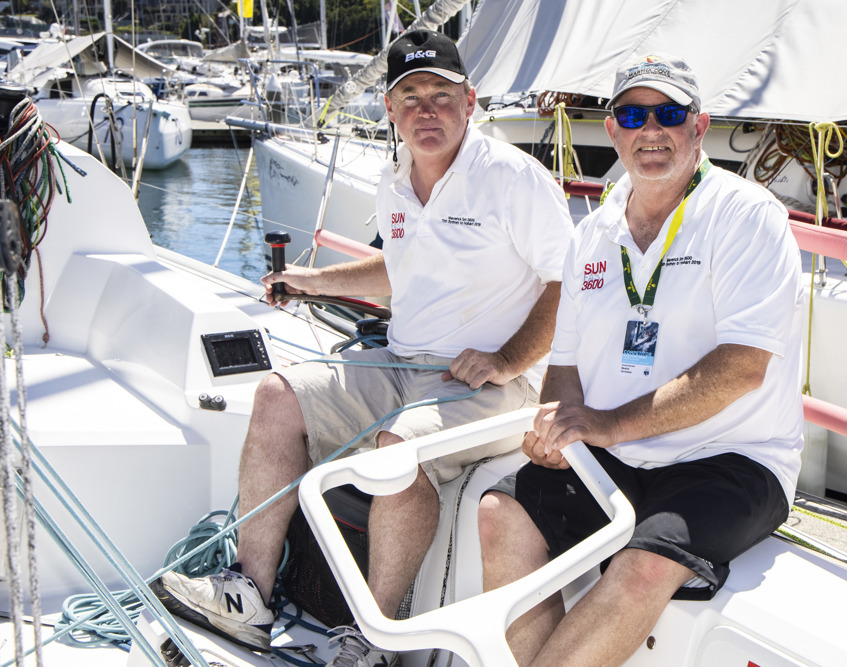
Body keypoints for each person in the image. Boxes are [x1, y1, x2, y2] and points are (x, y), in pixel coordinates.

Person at [152, 30, 573, 666]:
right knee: (276, 395)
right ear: (390, 109)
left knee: (395, 449)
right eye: (410, 98)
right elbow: (399, 269)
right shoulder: (395, 179)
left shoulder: (511, 177)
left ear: (470, 100)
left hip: (494, 386)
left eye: (440, 95)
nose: (425, 111)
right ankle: (248, 595)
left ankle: (374, 640)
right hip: (400, 362)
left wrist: (509, 359)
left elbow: (569, 278)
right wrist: (310, 279)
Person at [477, 54, 805, 666]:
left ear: (699, 126)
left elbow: (742, 366)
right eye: (632, 114)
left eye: (669, 114)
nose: (650, 130)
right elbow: (567, 363)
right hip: (617, 453)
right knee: (502, 512)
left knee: (642, 566)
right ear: (613, 130)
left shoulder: (745, 216)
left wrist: (603, 426)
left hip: (731, 460)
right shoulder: (593, 234)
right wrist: (558, 426)